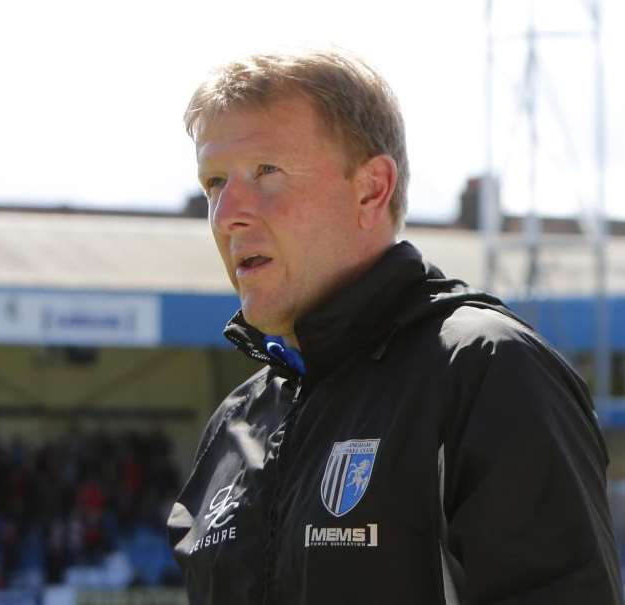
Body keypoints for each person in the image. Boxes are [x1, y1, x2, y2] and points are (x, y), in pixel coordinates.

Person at [166, 50, 624, 604]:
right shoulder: (234, 425)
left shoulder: (485, 372)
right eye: (215, 182)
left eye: (266, 171)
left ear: (371, 190)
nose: (226, 214)